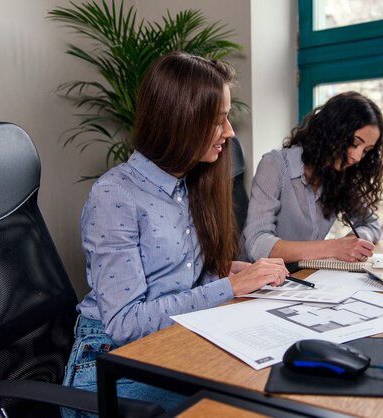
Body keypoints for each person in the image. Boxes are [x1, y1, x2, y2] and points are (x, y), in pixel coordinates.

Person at [62, 52, 288, 415]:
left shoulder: (188, 185)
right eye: (219, 121)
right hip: (108, 362)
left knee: (274, 378)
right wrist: (227, 288)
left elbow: (173, 279)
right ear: (180, 121)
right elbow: (124, 323)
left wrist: (224, 272)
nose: (230, 132)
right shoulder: (115, 195)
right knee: (250, 401)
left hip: (171, 340)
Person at [241, 91, 383, 263]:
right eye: (354, 143)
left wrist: (353, 242)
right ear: (332, 130)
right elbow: (257, 244)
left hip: (307, 276)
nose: (357, 156)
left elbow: (372, 225)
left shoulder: (341, 175)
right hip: (262, 281)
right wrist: (334, 247)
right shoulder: (275, 165)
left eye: (366, 150)